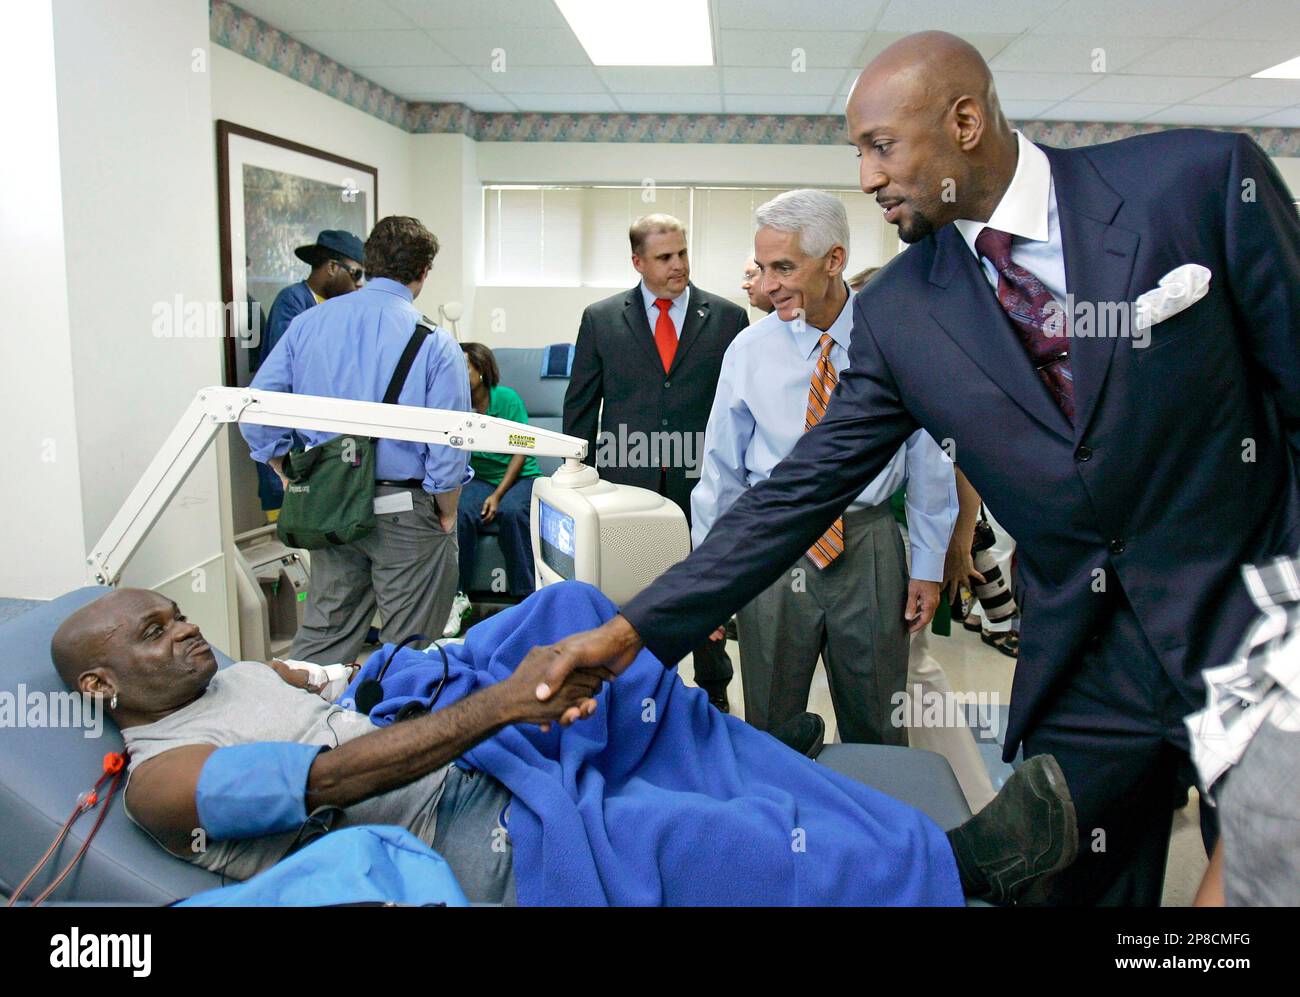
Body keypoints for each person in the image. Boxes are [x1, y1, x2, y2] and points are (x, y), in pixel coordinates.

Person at [526, 31, 1300, 906]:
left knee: (1262, 879)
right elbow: (793, 495)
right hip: (1092, 666)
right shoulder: (901, 311)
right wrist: (633, 634)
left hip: (1260, 629)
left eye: (879, 146)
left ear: (964, 121)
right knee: (1068, 885)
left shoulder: (1196, 185)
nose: (865, 178)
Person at [51, 585, 1078, 906]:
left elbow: (345, 690)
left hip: (465, 753)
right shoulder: (164, 782)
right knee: (672, 831)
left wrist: (429, 671)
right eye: (154, 632)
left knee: (577, 618)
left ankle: (723, 738)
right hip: (463, 833)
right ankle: (962, 868)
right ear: (100, 687)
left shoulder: (236, 672)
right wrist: (497, 703)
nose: (186, 629)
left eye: (179, 612)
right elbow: (338, 772)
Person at [694, 189, 956, 746]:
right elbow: (720, 473)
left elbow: (929, 459)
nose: (768, 285)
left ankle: (875, 831)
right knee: (769, 722)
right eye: (764, 268)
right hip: (773, 540)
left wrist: (929, 564)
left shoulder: (894, 341)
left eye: (784, 267)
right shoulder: (748, 350)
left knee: (878, 723)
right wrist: (708, 579)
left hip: (869, 545)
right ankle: (774, 830)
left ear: (834, 260)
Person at [243, 216, 470, 667]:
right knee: (412, 650)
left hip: (330, 502)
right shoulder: (435, 342)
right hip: (405, 509)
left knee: (325, 635)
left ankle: (301, 728)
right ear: (423, 272)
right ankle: (397, 732)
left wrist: (284, 467)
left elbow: (255, 410)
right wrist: (445, 510)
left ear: (368, 263)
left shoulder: (307, 324)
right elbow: (451, 440)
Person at [564, 213, 748, 712]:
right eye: (665, 257)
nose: (679, 265)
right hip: (627, 488)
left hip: (701, 485)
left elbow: (740, 408)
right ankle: (633, 695)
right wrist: (573, 479)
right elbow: (581, 407)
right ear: (637, 262)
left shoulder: (728, 318)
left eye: (683, 253)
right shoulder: (601, 318)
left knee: (707, 594)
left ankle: (714, 694)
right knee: (632, 598)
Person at [849, 265, 997, 811]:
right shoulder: (857, 365)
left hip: (905, 539)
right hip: (871, 539)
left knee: (913, 670)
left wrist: (956, 545)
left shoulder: (927, 368)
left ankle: (967, 801)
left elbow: (960, 466)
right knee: (900, 677)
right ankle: (921, 792)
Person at [251, 229, 366, 520]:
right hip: (293, 438)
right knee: (294, 526)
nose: (359, 284)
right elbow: (288, 375)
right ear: (331, 267)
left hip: (331, 441)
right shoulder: (293, 302)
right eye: (355, 274)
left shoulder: (341, 307)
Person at [446, 342, 542, 636]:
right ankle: (458, 597)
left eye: (465, 366)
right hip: (478, 477)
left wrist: (498, 496)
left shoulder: (507, 399)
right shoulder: (455, 403)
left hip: (519, 476)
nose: (458, 372)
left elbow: (521, 451)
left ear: (482, 369)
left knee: (513, 512)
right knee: (460, 512)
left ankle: (527, 599)